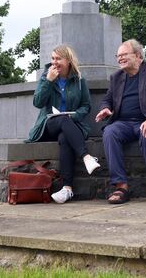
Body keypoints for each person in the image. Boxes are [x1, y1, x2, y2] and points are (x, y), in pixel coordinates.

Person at [95, 39, 146, 204]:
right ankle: (121, 187)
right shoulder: (116, 77)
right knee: (109, 132)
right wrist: (105, 108)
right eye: (118, 56)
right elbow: (107, 99)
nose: (120, 59)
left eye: (124, 55)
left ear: (138, 56)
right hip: (123, 123)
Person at [26, 44, 101, 203]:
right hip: (48, 125)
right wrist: (48, 82)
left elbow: (86, 106)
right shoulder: (46, 76)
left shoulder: (79, 80)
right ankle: (87, 157)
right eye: (53, 58)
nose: (54, 62)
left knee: (65, 139)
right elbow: (38, 102)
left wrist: (74, 116)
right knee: (61, 120)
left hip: (70, 125)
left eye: (58, 59)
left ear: (68, 60)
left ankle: (67, 189)